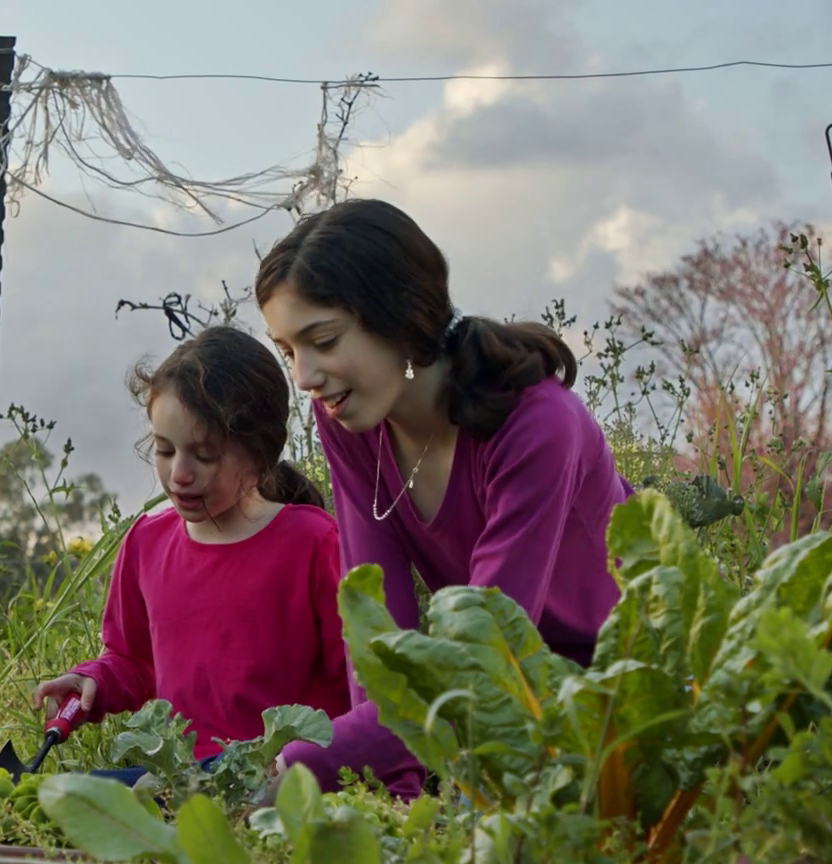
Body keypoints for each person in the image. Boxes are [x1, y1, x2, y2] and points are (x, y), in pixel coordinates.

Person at [255, 198, 633, 800]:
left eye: (322, 340)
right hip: (494, 721)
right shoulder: (350, 420)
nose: (304, 376)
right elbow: (376, 622)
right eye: (288, 351)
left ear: (401, 318)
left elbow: (488, 654)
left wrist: (322, 756)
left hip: (618, 709)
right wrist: (386, 788)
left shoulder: (538, 425)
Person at [33, 325, 351, 776]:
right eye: (165, 450)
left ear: (260, 452)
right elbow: (133, 661)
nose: (179, 474)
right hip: (182, 781)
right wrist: (94, 681)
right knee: (64, 796)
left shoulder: (314, 542)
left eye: (204, 456)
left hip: (281, 779)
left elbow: (358, 684)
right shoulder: (146, 542)